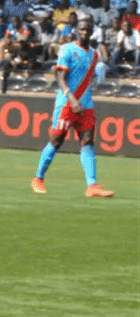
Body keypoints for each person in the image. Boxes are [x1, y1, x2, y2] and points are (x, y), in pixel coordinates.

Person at [31, 19, 114, 198]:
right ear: (77, 31)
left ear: (91, 32)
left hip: (86, 105)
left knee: (88, 141)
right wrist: (72, 98)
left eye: (88, 30)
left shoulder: (94, 54)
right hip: (67, 104)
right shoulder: (67, 49)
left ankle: (92, 185)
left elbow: (87, 79)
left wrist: (84, 100)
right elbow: (60, 77)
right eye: (82, 30)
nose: (85, 33)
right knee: (56, 141)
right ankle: (38, 178)